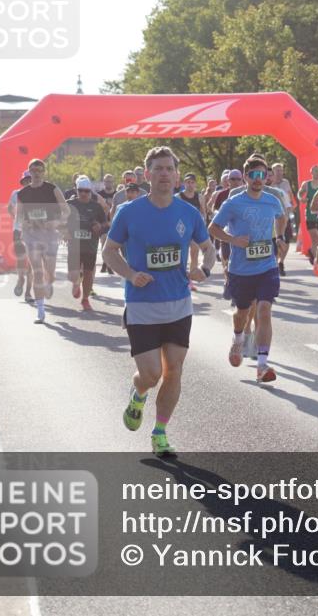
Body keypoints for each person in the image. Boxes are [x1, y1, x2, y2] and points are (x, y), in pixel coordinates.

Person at [102, 146, 215, 458]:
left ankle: (160, 432)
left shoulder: (189, 213)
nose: (164, 174)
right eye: (158, 169)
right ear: (147, 174)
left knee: (174, 371)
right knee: (151, 374)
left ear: (177, 176)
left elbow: (208, 248)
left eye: (169, 169)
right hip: (141, 305)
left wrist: (203, 270)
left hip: (179, 303)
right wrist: (130, 273)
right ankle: (138, 394)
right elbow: (109, 252)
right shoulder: (129, 212)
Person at [209, 154, 286, 383]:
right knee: (242, 313)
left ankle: (262, 365)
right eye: (253, 175)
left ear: (267, 177)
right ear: (245, 177)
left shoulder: (273, 200)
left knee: (264, 311)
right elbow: (213, 228)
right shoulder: (234, 203)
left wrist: (280, 236)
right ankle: (238, 337)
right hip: (241, 269)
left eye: (262, 175)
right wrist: (233, 240)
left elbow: (281, 218)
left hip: (267, 266)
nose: (258, 179)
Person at [16, 159, 69, 324]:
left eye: (39, 170)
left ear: (44, 172)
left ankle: (50, 282)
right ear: (29, 172)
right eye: (33, 170)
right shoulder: (22, 193)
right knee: (37, 271)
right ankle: (40, 311)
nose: (37, 173)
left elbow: (66, 210)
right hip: (31, 234)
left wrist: (57, 223)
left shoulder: (52, 189)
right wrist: (22, 225)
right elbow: (19, 216)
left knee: (50, 272)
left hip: (50, 233)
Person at [66, 177, 108, 311]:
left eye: (86, 191)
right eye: (81, 190)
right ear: (76, 190)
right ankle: (76, 282)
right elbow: (59, 221)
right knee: (73, 274)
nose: (84, 193)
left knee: (88, 273)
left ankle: (85, 299)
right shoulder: (69, 204)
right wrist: (64, 231)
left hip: (90, 246)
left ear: (90, 191)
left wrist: (99, 227)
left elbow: (106, 224)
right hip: (74, 246)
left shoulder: (96, 206)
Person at [211, 169, 245, 298]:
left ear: (242, 180)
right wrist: (219, 214)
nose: (235, 182)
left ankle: (238, 290)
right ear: (228, 181)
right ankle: (228, 282)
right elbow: (214, 209)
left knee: (241, 264)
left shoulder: (248, 194)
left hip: (243, 236)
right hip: (226, 234)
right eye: (232, 179)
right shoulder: (222, 194)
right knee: (227, 263)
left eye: (238, 179)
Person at [176, 173, 206, 290]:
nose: (190, 184)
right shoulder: (178, 197)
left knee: (194, 252)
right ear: (184, 183)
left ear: (195, 184)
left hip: (194, 228)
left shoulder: (200, 197)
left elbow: (203, 212)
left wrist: (202, 227)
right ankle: (181, 277)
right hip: (180, 229)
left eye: (192, 182)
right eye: (188, 182)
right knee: (181, 255)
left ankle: (191, 279)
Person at [7, 172, 34, 301]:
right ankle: (20, 279)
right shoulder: (16, 194)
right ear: (22, 182)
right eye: (25, 180)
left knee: (32, 262)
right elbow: (9, 208)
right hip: (18, 230)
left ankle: (28, 293)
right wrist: (16, 218)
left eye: (30, 180)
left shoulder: (38, 195)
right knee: (20, 259)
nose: (27, 182)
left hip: (34, 231)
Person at [270, 163, 296, 275]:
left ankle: (281, 261)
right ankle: (275, 263)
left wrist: (291, 207)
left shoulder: (286, 183)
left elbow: (290, 197)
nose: (280, 172)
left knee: (287, 240)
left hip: (285, 214)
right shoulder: (269, 184)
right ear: (273, 172)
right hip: (273, 217)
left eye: (281, 170)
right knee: (276, 240)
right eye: (277, 171)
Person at [297, 164, 318, 269]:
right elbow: (299, 194)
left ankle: (313, 254)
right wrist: (301, 199)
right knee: (315, 237)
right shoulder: (306, 184)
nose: (317, 173)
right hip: (310, 215)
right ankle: (316, 259)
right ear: (311, 172)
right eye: (315, 171)